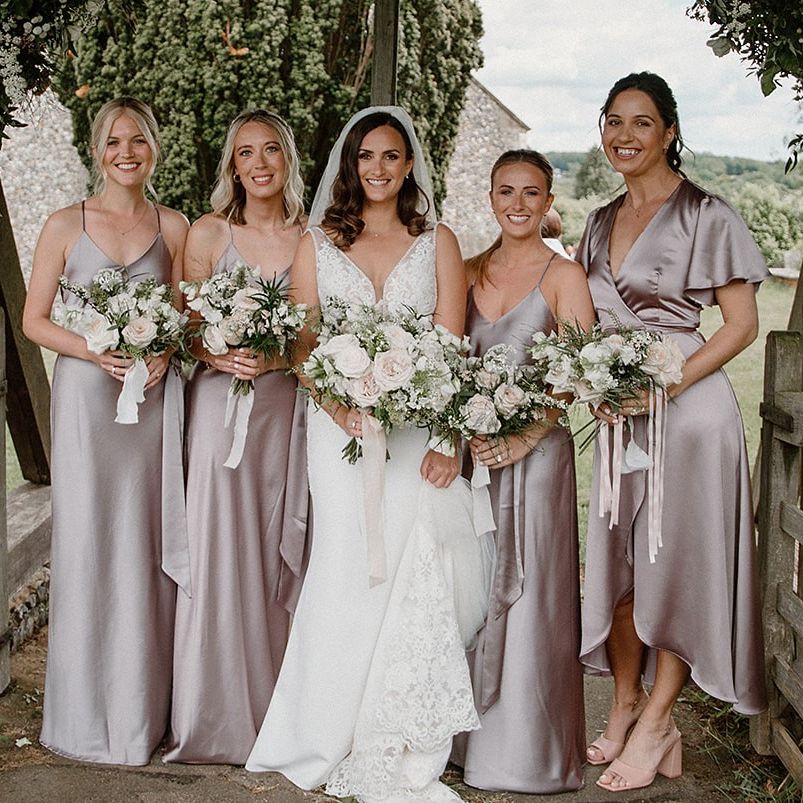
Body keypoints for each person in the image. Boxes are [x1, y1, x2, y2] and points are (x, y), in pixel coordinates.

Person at [246, 107, 482, 802]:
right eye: (365, 157)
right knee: (344, 563)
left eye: (390, 156)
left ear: (409, 165)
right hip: (339, 433)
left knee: (410, 567)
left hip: (413, 435)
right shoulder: (317, 243)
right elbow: (302, 345)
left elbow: (451, 345)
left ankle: (394, 727)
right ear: (350, 166)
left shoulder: (437, 241)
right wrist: (339, 406)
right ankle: (324, 729)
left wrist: (446, 438)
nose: (377, 169)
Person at [577, 72, 768, 792]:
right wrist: (591, 382)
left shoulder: (706, 213)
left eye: (641, 122)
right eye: (613, 120)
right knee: (622, 565)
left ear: (668, 132)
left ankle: (660, 720)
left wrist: (666, 384)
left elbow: (741, 325)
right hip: (619, 417)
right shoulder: (598, 220)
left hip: (689, 419)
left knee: (677, 568)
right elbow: (583, 320)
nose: (623, 135)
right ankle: (626, 701)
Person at [22, 97, 189, 764]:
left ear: (154, 148)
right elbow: (35, 319)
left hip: (149, 403)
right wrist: (93, 350)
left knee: (144, 539)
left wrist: (163, 353)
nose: (127, 152)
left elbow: (182, 317)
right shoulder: (65, 224)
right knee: (90, 538)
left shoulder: (174, 226)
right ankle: (83, 717)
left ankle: (141, 712)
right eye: (115, 141)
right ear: (97, 150)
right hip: (88, 404)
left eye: (138, 140)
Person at [164, 109, 309, 764]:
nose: (259, 163)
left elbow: (318, 331)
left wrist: (277, 356)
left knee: (276, 546)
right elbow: (184, 327)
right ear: (233, 165)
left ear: (287, 160)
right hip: (218, 409)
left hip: (284, 413)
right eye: (246, 152)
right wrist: (216, 352)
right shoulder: (207, 232)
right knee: (217, 548)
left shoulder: (311, 237)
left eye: (270, 149)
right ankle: (211, 713)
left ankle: (280, 713)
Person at [451, 150, 595, 794]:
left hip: (537, 461)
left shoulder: (565, 276)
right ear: (490, 197)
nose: (517, 203)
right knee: (471, 588)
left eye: (530, 192)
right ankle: (464, 742)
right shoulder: (465, 271)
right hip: (473, 457)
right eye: (505, 191)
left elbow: (580, 374)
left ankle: (528, 754)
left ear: (547, 201)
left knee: (533, 593)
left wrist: (524, 435)